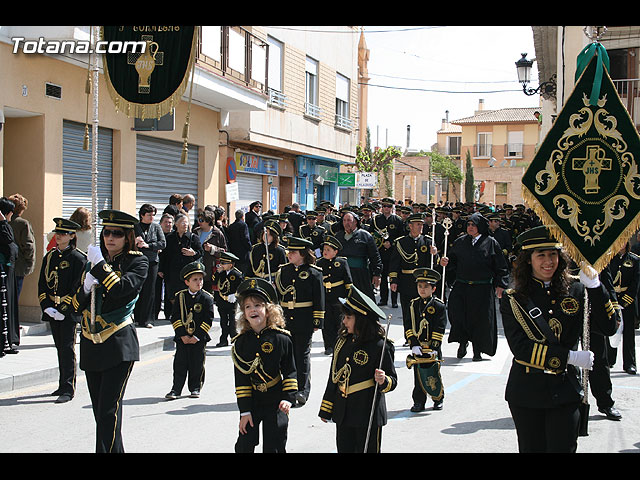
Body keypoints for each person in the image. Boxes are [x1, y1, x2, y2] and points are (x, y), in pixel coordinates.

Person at [500, 226, 617, 453]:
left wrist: (595, 287)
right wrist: (570, 357)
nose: (548, 261)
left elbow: (608, 327)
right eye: (540, 255)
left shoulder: (576, 289)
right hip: (527, 390)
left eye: (553, 254)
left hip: (565, 390)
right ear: (528, 260)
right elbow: (521, 349)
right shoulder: (513, 298)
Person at [73, 209, 148, 453]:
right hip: (91, 343)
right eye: (106, 232)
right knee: (101, 413)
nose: (110, 238)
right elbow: (75, 304)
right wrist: (85, 287)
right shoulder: (92, 261)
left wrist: (101, 268)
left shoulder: (138, 261)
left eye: (117, 233)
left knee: (108, 410)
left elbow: (122, 290)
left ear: (128, 237)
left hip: (118, 343)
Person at [318, 285, 397, 453]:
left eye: (348, 317)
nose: (344, 321)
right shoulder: (342, 342)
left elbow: (392, 380)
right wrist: (326, 408)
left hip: (367, 413)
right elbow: (334, 377)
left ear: (361, 319)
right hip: (344, 412)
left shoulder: (380, 346)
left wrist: (384, 380)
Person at [231, 277, 298, 453]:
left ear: (268, 310)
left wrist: (287, 398)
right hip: (252, 399)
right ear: (244, 313)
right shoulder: (240, 343)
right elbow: (241, 379)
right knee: (244, 444)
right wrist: (244, 411)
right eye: (248, 307)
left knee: (275, 444)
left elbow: (290, 371)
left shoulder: (281, 338)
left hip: (275, 398)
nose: (253, 310)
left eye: (258, 305)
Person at [440, 212, 509, 361]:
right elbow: (452, 262)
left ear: (480, 226)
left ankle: (478, 350)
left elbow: (501, 266)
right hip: (462, 286)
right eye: (469, 224)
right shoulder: (460, 242)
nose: (470, 227)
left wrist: (500, 285)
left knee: (480, 320)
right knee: (458, 314)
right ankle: (462, 342)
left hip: (482, 288)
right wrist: (444, 262)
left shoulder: (490, 243)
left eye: (473, 225)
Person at [37, 218, 86, 403]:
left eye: (63, 233)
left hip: (68, 311)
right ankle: (61, 384)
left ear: (72, 236)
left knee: (67, 348)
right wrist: (46, 306)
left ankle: (68, 387)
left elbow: (78, 287)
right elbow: (42, 284)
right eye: (57, 233)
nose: (59, 236)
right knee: (59, 347)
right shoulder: (50, 256)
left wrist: (64, 309)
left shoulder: (78, 258)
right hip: (52, 308)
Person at [274, 236, 324, 407]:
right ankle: (288, 389)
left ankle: (302, 390)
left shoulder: (314, 272)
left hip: (304, 319)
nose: (289, 254)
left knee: (301, 355)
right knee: (286, 356)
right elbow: (278, 297)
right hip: (285, 319)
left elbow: (319, 298)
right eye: (289, 251)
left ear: (302, 254)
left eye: (293, 252)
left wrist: (318, 320)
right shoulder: (283, 271)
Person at [165, 261, 214, 400]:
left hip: (198, 339)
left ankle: (195, 387)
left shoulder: (206, 298)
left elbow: (208, 319)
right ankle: (176, 389)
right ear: (187, 282)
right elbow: (175, 318)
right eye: (195, 280)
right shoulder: (180, 297)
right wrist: (182, 335)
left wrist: (197, 336)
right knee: (180, 364)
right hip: (183, 338)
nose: (199, 282)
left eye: (200, 279)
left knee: (197, 364)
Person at [405, 268, 446, 412]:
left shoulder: (438, 305)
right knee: (418, 376)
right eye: (420, 287)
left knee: (433, 374)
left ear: (433, 288)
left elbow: (440, 327)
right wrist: (413, 344)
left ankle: (438, 398)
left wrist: (434, 347)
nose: (422, 290)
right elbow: (408, 324)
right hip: (419, 347)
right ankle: (419, 402)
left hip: (432, 347)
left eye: (426, 287)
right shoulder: (413, 304)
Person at [389, 212, 437, 324]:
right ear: (410, 226)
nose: (421, 227)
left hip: (423, 282)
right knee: (407, 311)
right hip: (406, 281)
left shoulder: (428, 241)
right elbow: (394, 264)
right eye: (418, 224)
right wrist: (393, 280)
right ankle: (409, 338)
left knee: (422, 311)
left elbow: (434, 264)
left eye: (422, 224)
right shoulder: (401, 242)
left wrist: (435, 254)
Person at [316, 235, 353, 355]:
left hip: (338, 296)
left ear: (335, 252)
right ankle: (329, 345)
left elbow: (348, 281)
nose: (325, 252)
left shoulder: (341, 262)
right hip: (325, 296)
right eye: (324, 250)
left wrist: (348, 298)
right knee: (327, 322)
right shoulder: (319, 263)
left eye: (328, 250)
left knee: (340, 320)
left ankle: (340, 343)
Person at [159, 213, 203, 311]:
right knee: (171, 292)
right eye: (183, 223)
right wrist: (161, 269)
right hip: (171, 271)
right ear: (176, 224)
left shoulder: (193, 237)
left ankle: (184, 311)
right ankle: (170, 312)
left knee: (185, 292)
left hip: (186, 271)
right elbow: (164, 255)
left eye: (187, 222)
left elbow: (201, 252)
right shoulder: (170, 238)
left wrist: (193, 253)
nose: (185, 225)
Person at [334, 211, 382, 301]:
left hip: (360, 274)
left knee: (364, 301)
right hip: (342, 274)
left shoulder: (365, 236)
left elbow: (375, 256)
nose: (346, 223)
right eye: (344, 220)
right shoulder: (338, 236)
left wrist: (377, 274)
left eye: (349, 220)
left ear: (355, 222)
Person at [608, 242, 639, 375]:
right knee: (610, 330)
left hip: (628, 301)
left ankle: (630, 363)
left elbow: (636, 283)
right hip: (612, 299)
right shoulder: (608, 259)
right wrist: (613, 300)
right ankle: (609, 360)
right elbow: (607, 281)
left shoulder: (634, 260)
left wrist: (625, 301)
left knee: (628, 333)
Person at [133, 204, 166, 328]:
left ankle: (148, 319)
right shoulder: (135, 227)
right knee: (138, 288)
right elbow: (129, 241)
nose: (151, 217)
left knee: (150, 290)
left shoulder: (156, 227)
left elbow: (162, 243)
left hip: (152, 262)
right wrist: (136, 243)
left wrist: (149, 246)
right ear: (142, 215)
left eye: (153, 215)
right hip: (137, 261)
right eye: (149, 215)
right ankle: (137, 317)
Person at [372, 198, 404, 307]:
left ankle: (394, 300)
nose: (386, 208)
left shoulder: (397, 220)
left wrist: (391, 243)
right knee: (383, 277)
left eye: (389, 206)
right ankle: (383, 299)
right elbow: (372, 234)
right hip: (381, 252)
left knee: (394, 277)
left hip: (393, 253)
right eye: (384, 206)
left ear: (392, 208)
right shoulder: (376, 219)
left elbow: (401, 236)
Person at [212, 251, 244, 347]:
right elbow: (214, 282)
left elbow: (241, 287)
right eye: (221, 263)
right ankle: (223, 339)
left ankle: (233, 336)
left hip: (231, 300)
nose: (221, 265)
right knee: (223, 321)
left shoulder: (237, 274)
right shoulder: (221, 273)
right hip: (222, 300)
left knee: (232, 320)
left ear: (230, 264)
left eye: (223, 263)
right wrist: (217, 273)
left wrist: (236, 295)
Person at [0, 197, 19, 355]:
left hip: (8, 272)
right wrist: (3, 223)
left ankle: (9, 340)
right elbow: (9, 241)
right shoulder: (3, 226)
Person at [8, 193, 36, 299]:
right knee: (15, 296)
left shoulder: (5, 222)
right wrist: (29, 262)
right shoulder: (23, 223)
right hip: (19, 265)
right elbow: (28, 245)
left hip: (7, 264)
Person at [194, 209, 227, 292]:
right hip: (196, 268)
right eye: (198, 220)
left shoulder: (217, 233)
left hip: (209, 270)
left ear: (208, 221)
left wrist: (212, 249)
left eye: (201, 220)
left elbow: (224, 252)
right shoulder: (196, 231)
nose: (199, 222)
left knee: (207, 293)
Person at [155, 213, 174, 320]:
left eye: (170, 222)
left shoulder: (174, 236)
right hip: (158, 268)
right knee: (156, 293)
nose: (168, 224)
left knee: (169, 293)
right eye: (165, 222)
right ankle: (154, 314)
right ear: (161, 224)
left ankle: (169, 314)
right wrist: (159, 269)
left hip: (170, 269)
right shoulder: (157, 236)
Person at [226, 209, 252, 276]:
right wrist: (250, 248)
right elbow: (246, 238)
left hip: (234, 252)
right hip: (243, 254)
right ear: (243, 217)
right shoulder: (243, 225)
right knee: (243, 272)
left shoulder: (231, 226)